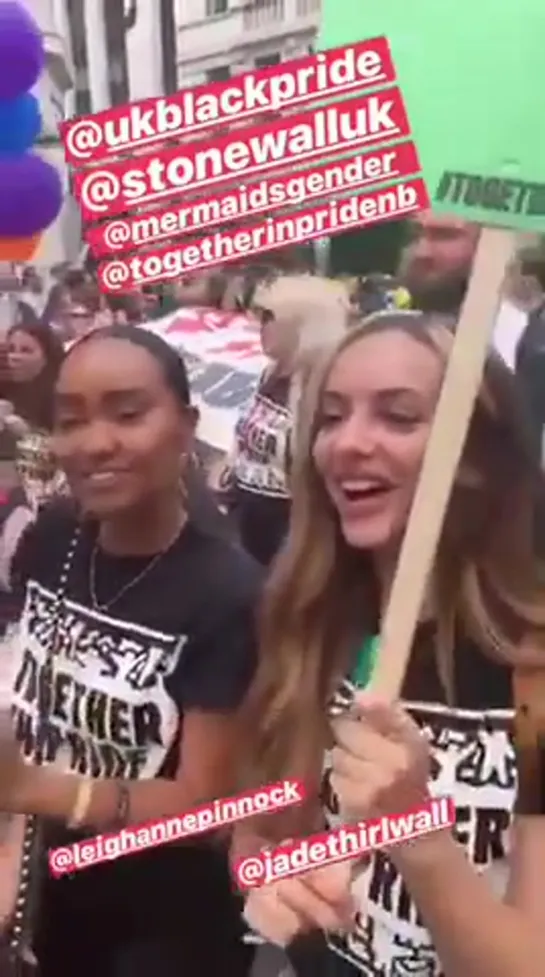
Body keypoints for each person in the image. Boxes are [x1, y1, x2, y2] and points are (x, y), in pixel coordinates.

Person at [236, 310, 545, 977]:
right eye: (331, 416)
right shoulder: (310, 621)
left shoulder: (533, 672)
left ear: (478, 455)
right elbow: (257, 827)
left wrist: (414, 831)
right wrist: (269, 872)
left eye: (397, 417)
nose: (346, 443)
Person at [0, 325, 260, 977]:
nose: (95, 442)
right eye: (71, 420)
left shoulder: (228, 591)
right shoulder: (53, 535)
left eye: (128, 412)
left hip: (160, 928)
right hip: (46, 899)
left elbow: (206, 806)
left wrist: (44, 791)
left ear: (186, 424)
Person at [218, 274, 352, 565]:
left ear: (301, 324)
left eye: (269, 317)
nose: (259, 327)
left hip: (288, 534)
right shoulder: (271, 373)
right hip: (246, 520)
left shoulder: (324, 387)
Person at [1, 321, 67, 511]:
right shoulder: (9, 391)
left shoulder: (61, 395)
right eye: (11, 350)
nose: (15, 357)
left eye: (26, 351)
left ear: (47, 356)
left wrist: (26, 432)